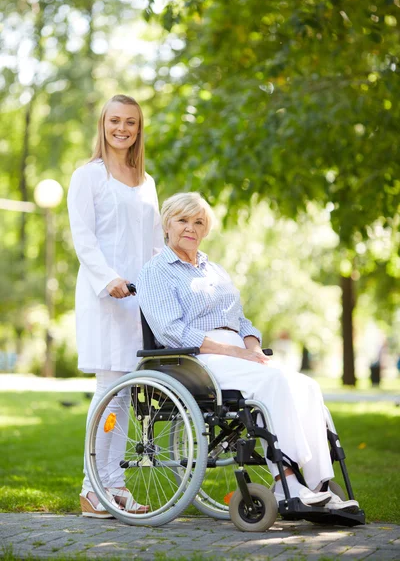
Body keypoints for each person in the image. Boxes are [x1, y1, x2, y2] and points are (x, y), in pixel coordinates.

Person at [137, 192, 360, 513]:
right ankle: (287, 482)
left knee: (307, 386)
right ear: (166, 224)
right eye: (182, 220)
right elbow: (172, 331)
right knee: (274, 385)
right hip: (196, 357)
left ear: (206, 229)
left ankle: (318, 484)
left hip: (237, 352)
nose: (190, 228)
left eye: (198, 222)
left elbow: (241, 321)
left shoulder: (214, 270)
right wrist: (233, 351)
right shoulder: (156, 271)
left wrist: (253, 348)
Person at [67, 94, 164, 518]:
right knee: (109, 392)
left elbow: (156, 243)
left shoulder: (146, 180)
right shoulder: (88, 176)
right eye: (115, 120)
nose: (122, 128)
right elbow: (83, 238)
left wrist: (167, 285)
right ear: (103, 124)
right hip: (107, 298)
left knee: (125, 396)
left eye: (131, 122)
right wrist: (110, 280)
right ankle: (93, 489)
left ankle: (113, 486)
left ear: (139, 129)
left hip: (141, 299)